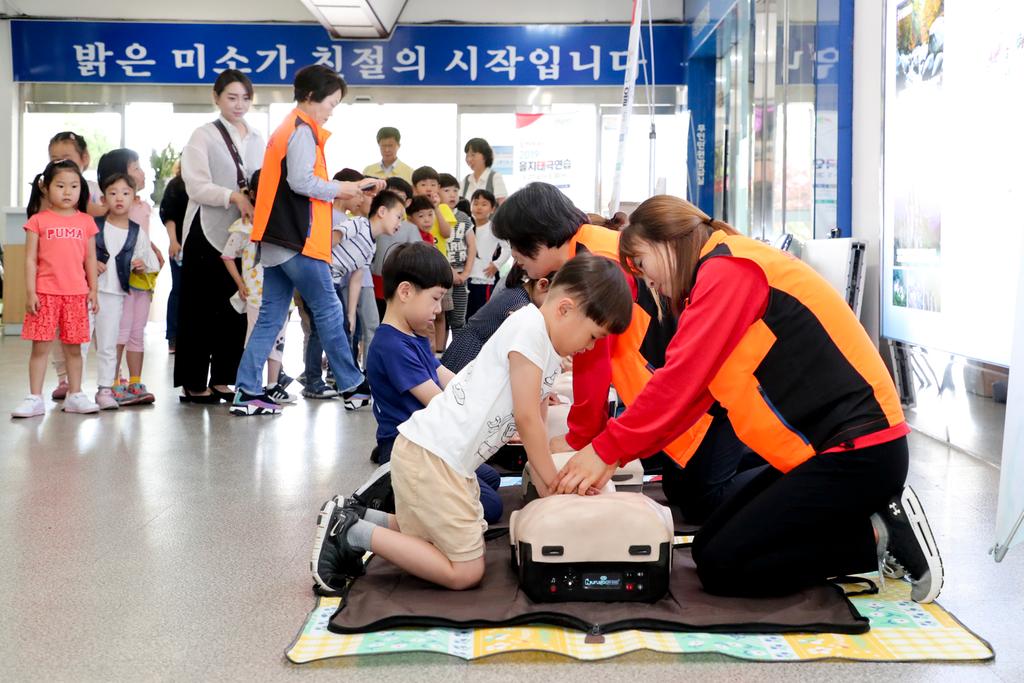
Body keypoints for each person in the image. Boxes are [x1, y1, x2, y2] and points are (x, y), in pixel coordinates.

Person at [552, 195, 945, 604]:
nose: (648, 281)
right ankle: (867, 524)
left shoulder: (728, 271)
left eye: (642, 263)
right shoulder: (719, 272)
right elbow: (691, 398)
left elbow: (679, 381)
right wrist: (612, 454)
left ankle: (879, 535)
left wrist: (606, 449)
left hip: (858, 453)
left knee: (724, 566)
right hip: (821, 452)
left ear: (666, 243)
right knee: (707, 547)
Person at [312, 252, 633, 593]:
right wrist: (555, 483)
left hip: (443, 461)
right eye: (593, 336)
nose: (591, 347)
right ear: (565, 309)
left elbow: (535, 427)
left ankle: (361, 517)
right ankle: (350, 532)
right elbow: (527, 419)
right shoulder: (530, 330)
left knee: (433, 537)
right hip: (433, 458)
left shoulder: (546, 347)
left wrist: (550, 492)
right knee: (466, 571)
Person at [232, 64, 385, 415]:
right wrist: (345, 189)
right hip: (296, 239)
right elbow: (301, 182)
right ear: (312, 97)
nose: (332, 111)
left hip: (275, 238)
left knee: (270, 317)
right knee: (329, 308)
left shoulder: (288, 128)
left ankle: (246, 390)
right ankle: (351, 384)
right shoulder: (302, 130)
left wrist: (348, 187)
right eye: (331, 103)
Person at [176, 69, 264, 403]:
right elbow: (195, 185)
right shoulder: (204, 135)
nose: (239, 104)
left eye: (245, 98)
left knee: (236, 304)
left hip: (243, 234)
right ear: (216, 98)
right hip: (206, 228)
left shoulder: (257, 138)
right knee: (199, 308)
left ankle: (224, 377)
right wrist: (234, 196)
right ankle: (193, 380)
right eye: (231, 97)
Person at [12, 160, 100, 418]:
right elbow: (30, 260)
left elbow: (90, 259)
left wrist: (93, 290)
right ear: (46, 188)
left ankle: (76, 395)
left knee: (74, 349)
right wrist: (31, 292)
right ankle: (34, 398)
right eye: (60, 186)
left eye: (74, 186)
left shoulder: (86, 222)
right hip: (45, 294)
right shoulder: (38, 221)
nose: (67, 192)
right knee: (40, 348)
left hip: (76, 295)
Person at [95, 148, 163, 405]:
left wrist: (151, 255)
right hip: (119, 283)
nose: (142, 172)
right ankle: (113, 381)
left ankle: (135, 381)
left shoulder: (142, 206)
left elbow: (141, 240)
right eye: (135, 167)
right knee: (118, 332)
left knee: (136, 331)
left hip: (141, 280)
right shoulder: (113, 214)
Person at [45, 131, 104, 402]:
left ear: (84, 158)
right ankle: (63, 378)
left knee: (87, 328)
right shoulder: (48, 190)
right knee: (58, 331)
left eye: (66, 157)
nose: (59, 163)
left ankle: (105, 378)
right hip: (59, 274)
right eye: (54, 159)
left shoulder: (94, 189)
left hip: (90, 272)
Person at [441, 265, 551, 374]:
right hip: (469, 353)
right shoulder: (520, 304)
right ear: (542, 284)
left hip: (467, 346)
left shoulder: (517, 292)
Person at [371, 176, 423, 321]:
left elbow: (417, 256)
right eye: (390, 195)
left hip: (399, 282)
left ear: (408, 202)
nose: (394, 201)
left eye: (399, 197)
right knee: (375, 318)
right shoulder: (374, 223)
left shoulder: (410, 228)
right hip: (375, 280)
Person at [465, 189, 509, 320]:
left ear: (492, 209)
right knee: (466, 316)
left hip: (484, 279)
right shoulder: (467, 226)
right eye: (475, 203)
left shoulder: (493, 227)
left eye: (484, 204)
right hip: (465, 278)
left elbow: (507, 248)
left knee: (482, 316)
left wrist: (496, 265)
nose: (479, 207)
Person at [439, 173, 475, 330]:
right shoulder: (435, 216)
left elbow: (472, 246)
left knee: (459, 320)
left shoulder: (463, 217)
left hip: (461, 276)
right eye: (447, 190)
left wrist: (466, 273)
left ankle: (458, 346)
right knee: (440, 318)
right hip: (442, 275)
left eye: (455, 190)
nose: (452, 194)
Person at [159, 161, 188, 354]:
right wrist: (173, 241)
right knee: (178, 289)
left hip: (204, 247)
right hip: (180, 246)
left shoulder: (208, 184)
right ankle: (174, 336)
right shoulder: (176, 185)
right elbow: (169, 215)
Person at [460, 137, 508, 205]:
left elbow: (503, 206)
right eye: (467, 155)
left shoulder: (495, 177)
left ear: (485, 156)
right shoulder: (466, 180)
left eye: (473, 155)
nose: (469, 159)